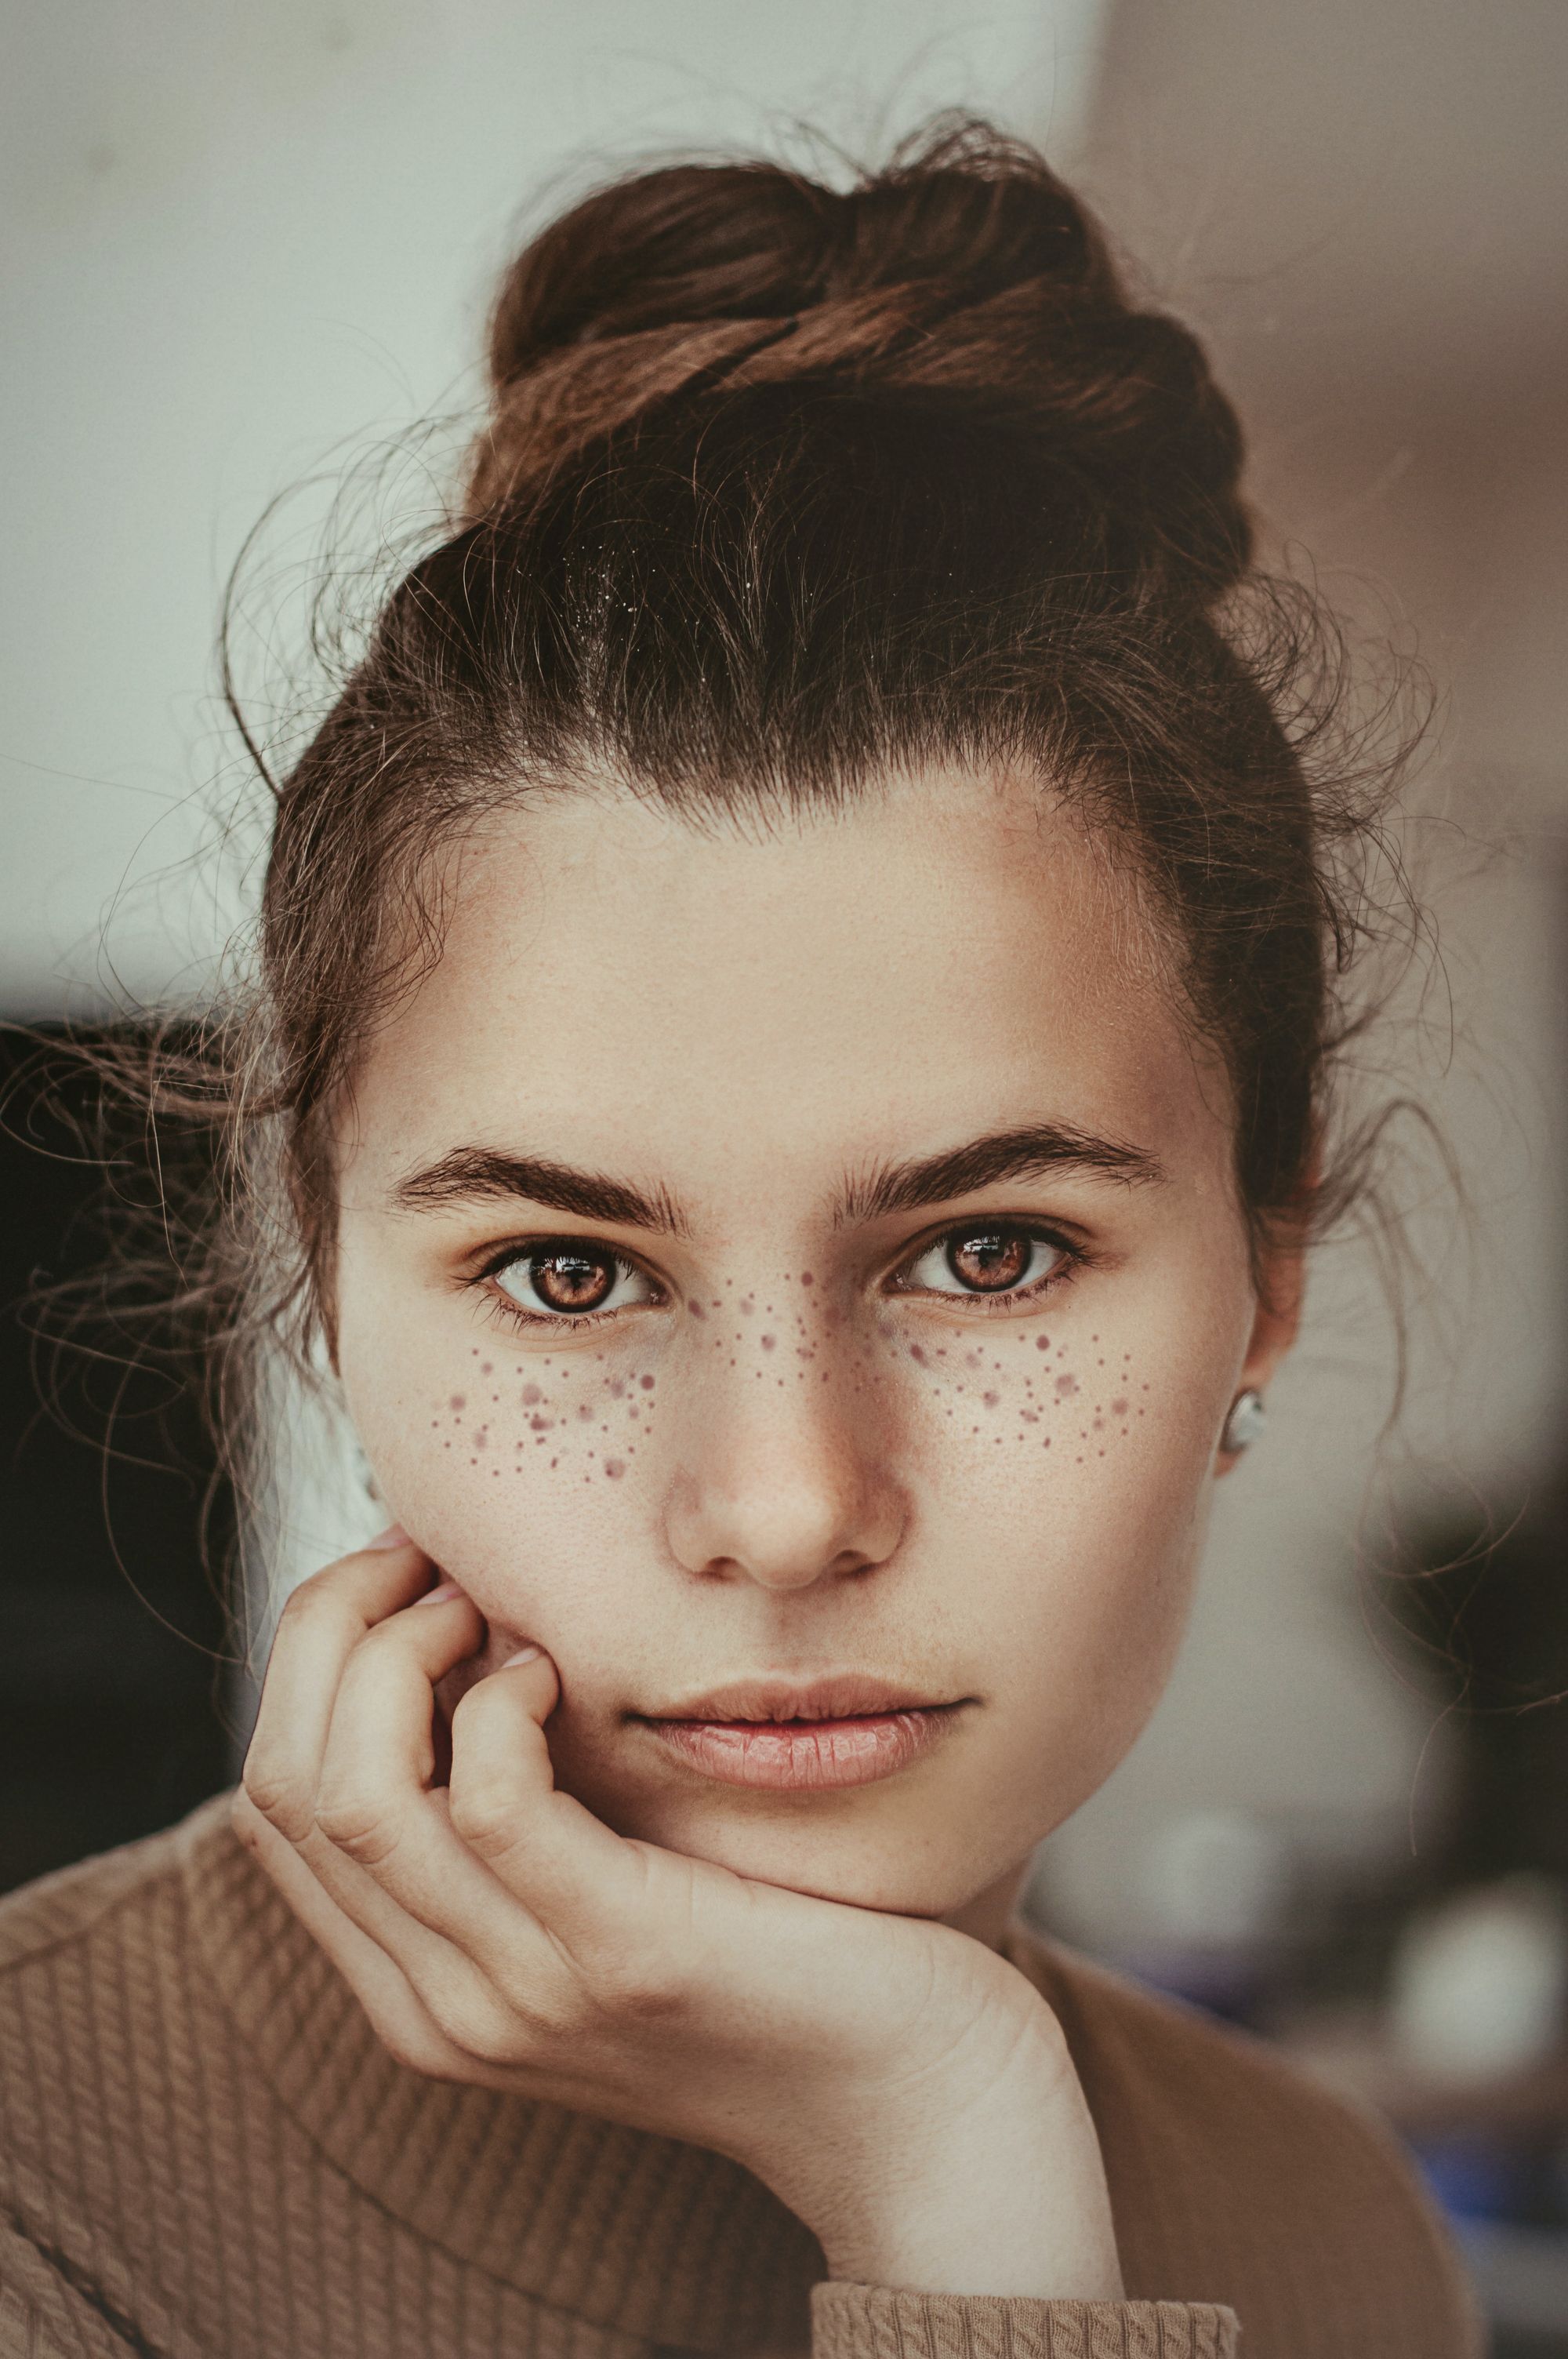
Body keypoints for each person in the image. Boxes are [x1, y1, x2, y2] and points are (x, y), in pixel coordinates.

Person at [0, 119, 1481, 2359]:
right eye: (568, 1273)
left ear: (1265, 1269)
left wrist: (955, 2170)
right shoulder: (41, 2204)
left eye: (988, 1252)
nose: (785, 1507)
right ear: (320, 1284)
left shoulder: (1331, 2237)